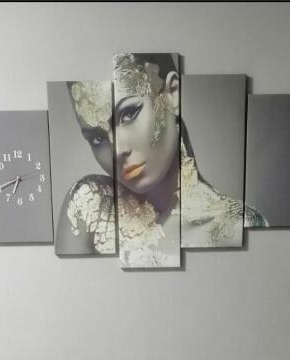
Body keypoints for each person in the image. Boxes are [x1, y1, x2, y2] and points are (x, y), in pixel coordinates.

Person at [55, 53, 268, 267]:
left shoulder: (236, 224)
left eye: (128, 114)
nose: (116, 150)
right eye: (97, 138)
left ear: (172, 93)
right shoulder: (89, 203)